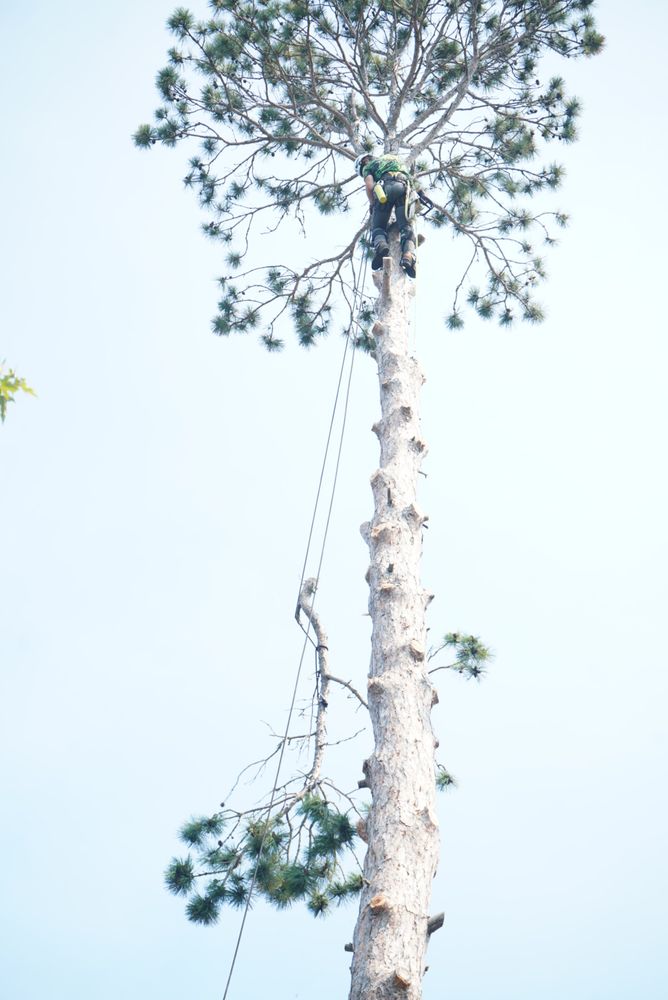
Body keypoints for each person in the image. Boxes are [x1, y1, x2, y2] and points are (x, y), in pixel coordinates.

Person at [355, 151, 420, 278]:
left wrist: (373, 205)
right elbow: (413, 183)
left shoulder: (369, 166)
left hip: (385, 189)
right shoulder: (396, 160)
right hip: (404, 189)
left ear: (362, 163)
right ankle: (408, 256)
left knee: (378, 226)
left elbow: (369, 185)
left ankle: (381, 247)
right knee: (406, 227)